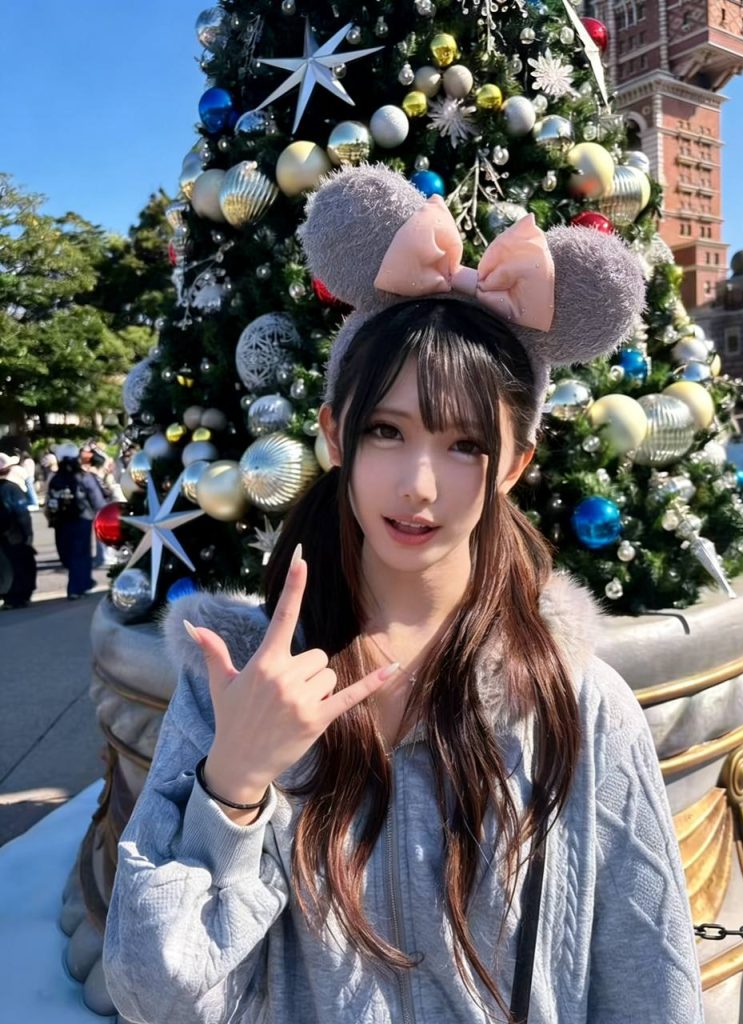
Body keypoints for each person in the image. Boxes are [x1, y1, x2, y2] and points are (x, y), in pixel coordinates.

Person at [103, 166, 704, 1023]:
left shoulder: (573, 703)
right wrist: (232, 786)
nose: (419, 485)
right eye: (387, 431)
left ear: (516, 464)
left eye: (465, 445)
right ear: (334, 434)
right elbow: (148, 994)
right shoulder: (236, 685)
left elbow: (648, 981)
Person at [46, 443, 106, 599]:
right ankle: (80, 585)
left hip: (61, 522)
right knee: (80, 553)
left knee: (68, 553)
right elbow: (97, 500)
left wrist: (51, 518)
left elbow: (49, 502)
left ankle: (79, 585)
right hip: (82, 520)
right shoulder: (84, 477)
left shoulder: (55, 478)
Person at [0, 453, 36, 608]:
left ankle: (9, 596)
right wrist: (28, 533)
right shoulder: (11, 488)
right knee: (20, 565)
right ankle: (18, 597)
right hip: (13, 534)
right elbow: (21, 513)